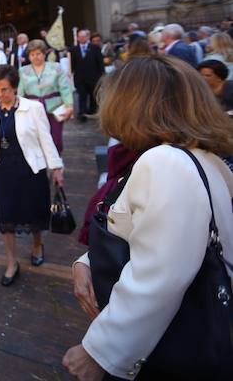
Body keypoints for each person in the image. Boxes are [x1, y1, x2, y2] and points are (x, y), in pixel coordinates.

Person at [63, 55, 233, 380]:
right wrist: (87, 261)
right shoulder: (198, 159)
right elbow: (152, 232)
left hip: (170, 350)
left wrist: (100, 351)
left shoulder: (166, 163)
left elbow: (159, 276)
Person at [0, 65, 64, 285]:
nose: (0, 94)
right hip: (3, 171)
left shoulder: (33, 108)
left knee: (34, 213)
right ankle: (11, 262)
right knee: (7, 217)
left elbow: (46, 139)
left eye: (5, 89)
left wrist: (57, 168)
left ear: (14, 87)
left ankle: (36, 244)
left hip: (30, 168)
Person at [18, 39, 74, 154]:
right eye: (32, 54)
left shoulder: (56, 67)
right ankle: (41, 167)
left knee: (56, 139)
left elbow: (65, 88)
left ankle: (57, 164)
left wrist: (69, 105)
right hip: (32, 110)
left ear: (44, 54)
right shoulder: (23, 71)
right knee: (36, 140)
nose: (35, 57)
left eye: (38, 53)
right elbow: (20, 92)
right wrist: (19, 108)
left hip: (55, 108)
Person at [70, 29, 105, 121]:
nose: (82, 38)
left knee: (93, 96)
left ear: (87, 37)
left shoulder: (95, 48)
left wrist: (102, 75)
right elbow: (71, 64)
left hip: (93, 77)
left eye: (84, 36)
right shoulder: (73, 49)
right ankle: (82, 113)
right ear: (77, 38)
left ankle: (92, 111)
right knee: (82, 96)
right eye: (80, 37)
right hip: (80, 78)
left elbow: (100, 63)